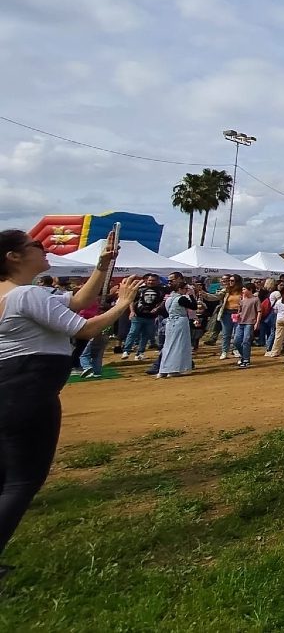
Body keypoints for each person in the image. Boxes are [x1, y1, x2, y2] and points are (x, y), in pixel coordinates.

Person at [0, 229, 141, 574]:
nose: (43, 248)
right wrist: (123, 304)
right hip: (28, 391)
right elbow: (82, 327)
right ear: (13, 256)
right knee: (22, 480)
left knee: (6, 476)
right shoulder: (25, 295)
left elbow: (75, 303)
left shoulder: (18, 294)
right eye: (35, 245)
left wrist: (102, 266)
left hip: (9, 388)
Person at [122, 272, 166, 361]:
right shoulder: (139, 289)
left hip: (151, 317)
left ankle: (140, 353)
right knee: (133, 332)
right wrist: (132, 311)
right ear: (146, 281)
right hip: (138, 315)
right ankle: (126, 351)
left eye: (153, 280)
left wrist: (157, 308)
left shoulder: (161, 290)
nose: (151, 282)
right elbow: (131, 300)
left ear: (157, 281)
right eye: (149, 280)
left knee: (146, 335)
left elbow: (163, 301)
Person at [158, 278, 196, 378]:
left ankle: (164, 369)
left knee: (168, 345)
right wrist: (191, 295)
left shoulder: (169, 299)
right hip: (180, 321)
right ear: (180, 289)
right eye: (185, 289)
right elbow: (194, 306)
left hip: (170, 322)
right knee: (179, 345)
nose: (186, 290)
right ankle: (173, 369)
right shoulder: (181, 298)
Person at [233, 282, 259, 369]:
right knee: (236, 341)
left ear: (250, 290)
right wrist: (237, 315)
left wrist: (257, 322)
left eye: (244, 289)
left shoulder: (256, 299)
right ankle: (244, 356)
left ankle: (246, 359)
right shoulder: (242, 300)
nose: (243, 291)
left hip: (250, 322)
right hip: (240, 322)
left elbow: (259, 311)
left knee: (246, 341)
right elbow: (239, 311)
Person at [218, 274, 243, 360]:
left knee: (237, 334)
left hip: (238, 313)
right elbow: (216, 296)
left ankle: (235, 350)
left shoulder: (242, 291)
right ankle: (224, 351)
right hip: (227, 313)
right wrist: (205, 294)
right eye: (229, 280)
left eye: (232, 281)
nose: (230, 282)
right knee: (226, 334)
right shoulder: (226, 291)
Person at [265, 281, 284, 358]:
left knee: (278, 337)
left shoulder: (279, 301)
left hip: (279, 319)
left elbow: (275, 310)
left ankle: (275, 351)